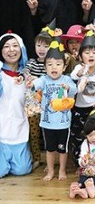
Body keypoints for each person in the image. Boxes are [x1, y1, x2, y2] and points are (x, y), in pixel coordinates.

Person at [29, 37, 78, 181]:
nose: (54, 67)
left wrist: (68, 88)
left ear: (64, 67)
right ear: (45, 68)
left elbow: (74, 90)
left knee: (62, 149)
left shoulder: (67, 79)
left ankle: (62, 170)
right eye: (49, 64)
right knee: (49, 149)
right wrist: (30, 84)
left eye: (58, 64)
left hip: (63, 123)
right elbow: (35, 84)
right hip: (47, 123)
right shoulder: (44, 79)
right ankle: (50, 171)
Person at [69, 31, 95, 164]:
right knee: (78, 136)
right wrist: (81, 72)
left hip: (94, 109)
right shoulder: (79, 67)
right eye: (87, 52)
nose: (91, 55)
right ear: (80, 56)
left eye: (94, 53)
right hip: (79, 108)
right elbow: (73, 75)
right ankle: (80, 162)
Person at [0, 33, 33, 178]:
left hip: (19, 130)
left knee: (22, 170)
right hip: (1, 131)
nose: (11, 50)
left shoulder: (27, 76)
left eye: (15, 46)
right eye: (6, 46)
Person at [23, 28, 52, 170]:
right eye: (39, 45)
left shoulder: (51, 63)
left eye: (46, 46)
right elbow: (25, 71)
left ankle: (50, 161)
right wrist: (27, 76)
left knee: (48, 133)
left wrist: (38, 79)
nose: (41, 49)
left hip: (49, 104)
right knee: (34, 133)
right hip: (33, 104)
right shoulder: (32, 62)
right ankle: (36, 158)